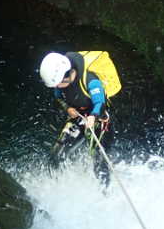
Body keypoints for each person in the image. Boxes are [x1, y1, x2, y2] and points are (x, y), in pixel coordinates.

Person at [39, 51, 115, 185]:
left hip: (99, 119)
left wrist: (93, 116)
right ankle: (58, 183)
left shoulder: (90, 80)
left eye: (58, 84)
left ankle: (105, 191)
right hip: (79, 116)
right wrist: (68, 108)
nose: (56, 87)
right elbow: (58, 97)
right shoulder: (60, 82)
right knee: (57, 151)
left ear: (67, 75)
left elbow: (100, 102)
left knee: (99, 160)